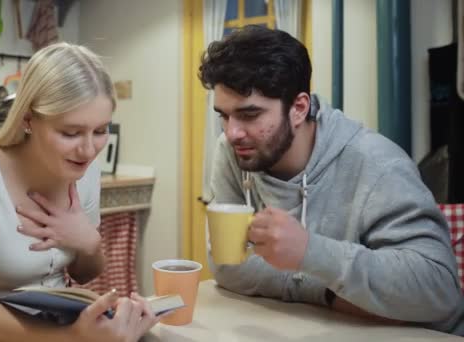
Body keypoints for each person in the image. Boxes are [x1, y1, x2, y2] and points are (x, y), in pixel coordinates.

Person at [199, 25, 464, 335]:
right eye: (224, 115)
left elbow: (439, 292)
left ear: (298, 108)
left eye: (249, 115)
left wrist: (309, 251)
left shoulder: (377, 163)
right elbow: (226, 263)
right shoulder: (235, 152)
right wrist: (325, 292)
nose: (231, 132)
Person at [0, 42, 160, 341]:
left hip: (67, 325)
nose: (89, 149)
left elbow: (86, 274)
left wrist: (87, 242)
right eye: (71, 133)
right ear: (28, 119)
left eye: (101, 131)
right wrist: (71, 339)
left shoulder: (85, 169)